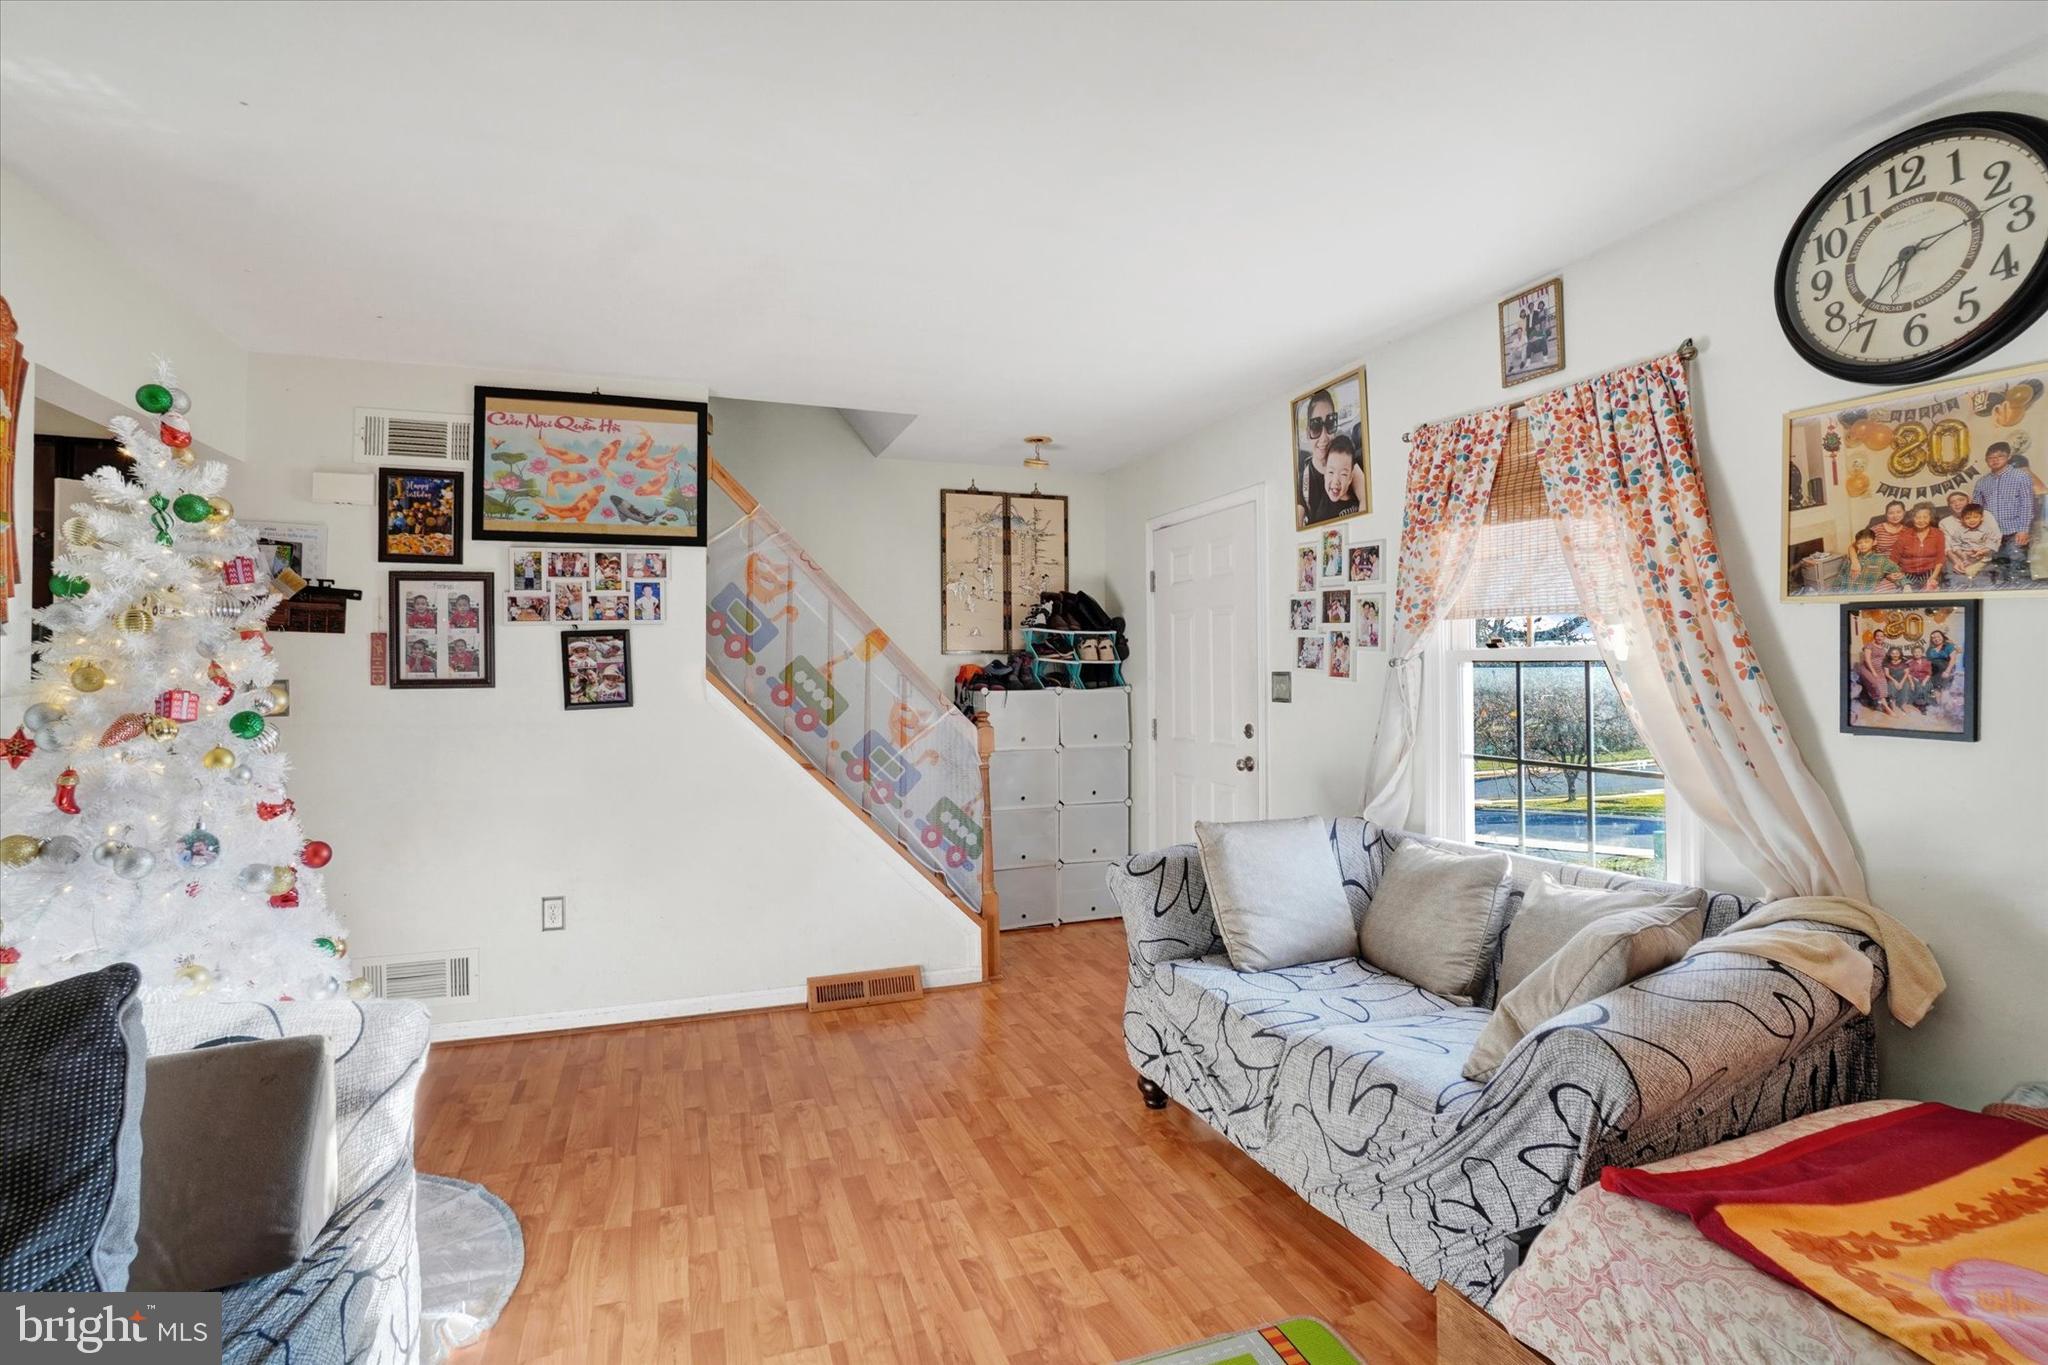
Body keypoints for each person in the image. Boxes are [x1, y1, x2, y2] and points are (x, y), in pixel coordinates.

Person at [1972, 443, 2043, 583]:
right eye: (1991, 457)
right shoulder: (1982, 482)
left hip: (2015, 531)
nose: (1995, 460)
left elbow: (2027, 504)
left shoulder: (2020, 476)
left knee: (2018, 569)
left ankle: (2021, 601)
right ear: (1986, 460)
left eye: (2000, 456)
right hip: (1992, 536)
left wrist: (2023, 530)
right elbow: (1976, 509)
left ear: (2008, 457)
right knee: (1998, 572)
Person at [1302, 433, 1365, 523]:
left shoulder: (1356, 493)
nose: (1335, 481)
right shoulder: (1323, 514)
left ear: (1350, 478)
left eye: (1343, 474)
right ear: (1325, 475)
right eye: (1331, 472)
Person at [1887, 504, 1945, 590]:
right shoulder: (1904, 535)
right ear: (1912, 518)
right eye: (1917, 517)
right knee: (1906, 590)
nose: (1921, 520)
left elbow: (1940, 559)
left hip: (1930, 573)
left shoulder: (1938, 534)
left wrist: (1933, 577)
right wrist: (1890, 574)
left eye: (1925, 517)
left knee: (1931, 591)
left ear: (1930, 518)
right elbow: (1894, 558)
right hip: (1907, 574)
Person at [1941, 502, 2002, 584]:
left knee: (1975, 573)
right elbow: (1955, 545)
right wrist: (1962, 554)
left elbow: (1992, 544)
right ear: (1962, 519)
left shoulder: (1987, 530)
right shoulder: (1960, 531)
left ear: (1982, 518)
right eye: (1968, 518)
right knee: (1956, 573)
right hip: (1965, 558)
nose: (1972, 520)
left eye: (1976, 517)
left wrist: (1981, 551)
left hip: (1983, 559)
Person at [1845, 527, 1906, 592]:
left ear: (1874, 542)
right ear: (1856, 544)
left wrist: (1906, 586)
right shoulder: (1852, 560)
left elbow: (1898, 574)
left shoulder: (1882, 560)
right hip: (1851, 591)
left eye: (1867, 542)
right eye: (1859, 543)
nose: (1863, 545)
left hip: (1868, 592)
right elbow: (1842, 578)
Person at [1855, 634, 1891, 714]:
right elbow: (1867, 660)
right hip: (1867, 669)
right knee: (1875, 683)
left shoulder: (1883, 649)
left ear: (1884, 638)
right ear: (1874, 637)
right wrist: (1874, 672)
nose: (1879, 638)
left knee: (1884, 683)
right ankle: (1887, 708)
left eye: (1881, 636)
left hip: (1879, 670)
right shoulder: (1869, 645)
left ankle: (1882, 705)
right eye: (1878, 636)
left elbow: (1883, 661)